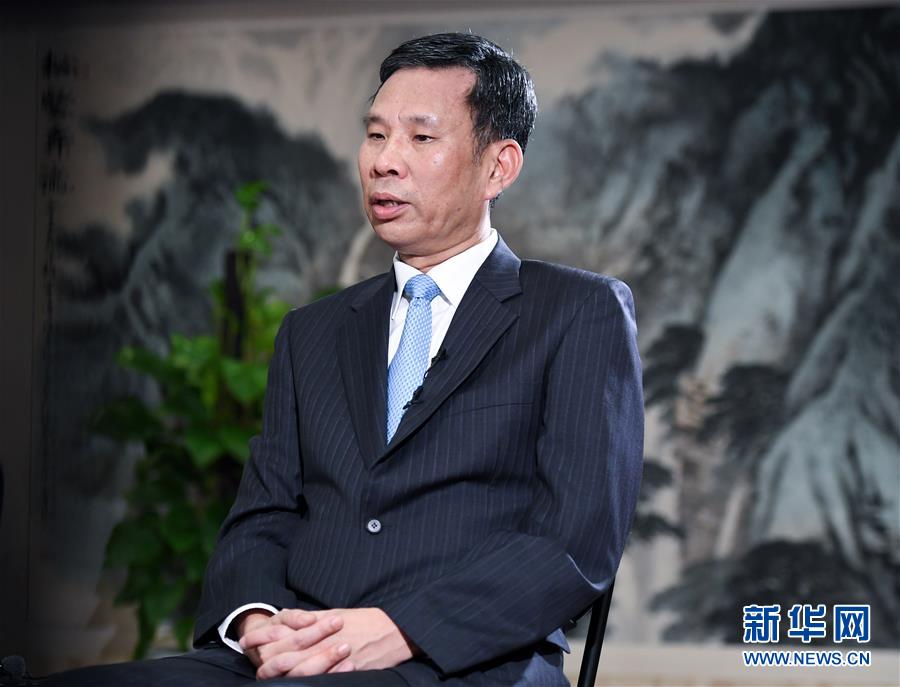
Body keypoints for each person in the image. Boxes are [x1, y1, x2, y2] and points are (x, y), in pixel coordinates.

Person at [43, 32, 643, 687]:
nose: (385, 161)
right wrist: (257, 621)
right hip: (295, 652)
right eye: (375, 135)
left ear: (499, 166)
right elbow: (263, 516)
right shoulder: (313, 332)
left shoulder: (576, 311)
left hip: (463, 662)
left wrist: (400, 629)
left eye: (420, 137)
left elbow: (573, 544)